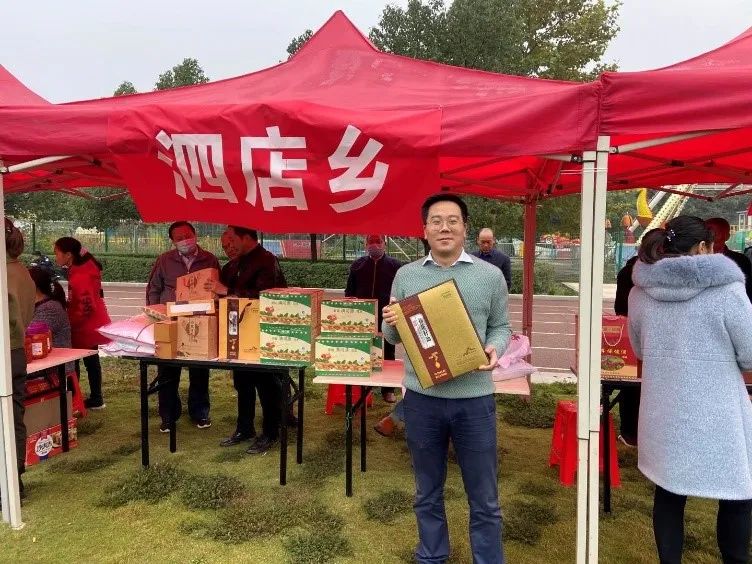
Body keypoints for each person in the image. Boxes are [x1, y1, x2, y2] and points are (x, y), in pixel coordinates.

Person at [382, 193, 511, 563]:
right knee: (426, 490)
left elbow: (501, 326)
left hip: (474, 401)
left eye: (452, 220)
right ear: (424, 230)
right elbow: (392, 337)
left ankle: (488, 559)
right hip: (422, 400)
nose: (444, 228)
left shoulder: (490, 276)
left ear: (465, 228)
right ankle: (432, 554)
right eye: (436, 221)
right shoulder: (406, 275)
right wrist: (389, 321)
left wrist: (494, 348)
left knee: (484, 496)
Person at [628, 215, 752, 563]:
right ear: (702, 248)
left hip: (663, 408)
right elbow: (750, 354)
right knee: (738, 493)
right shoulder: (728, 290)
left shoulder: (640, 292)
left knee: (668, 493)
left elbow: (639, 349)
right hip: (719, 412)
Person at [216, 226, 287, 455]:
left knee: (266, 384)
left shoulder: (267, 261)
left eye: (231, 242)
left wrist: (227, 290)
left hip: (263, 333)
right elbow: (222, 297)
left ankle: (271, 432)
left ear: (246, 238)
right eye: (224, 246)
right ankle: (244, 428)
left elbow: (267, 296)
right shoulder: (231, 266)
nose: (228, 248)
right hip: (237, 332)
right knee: (242, 381)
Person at [145, 222, 219, 431]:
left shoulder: (209, 259)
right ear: (172, 241)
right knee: (167, 370)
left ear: (195, 234)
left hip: (200, 321)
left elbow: (217, 289)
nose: (185, 240)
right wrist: (155, 315)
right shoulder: (164, 260)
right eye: (179, 238)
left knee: (199, 370)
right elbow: (153, 289)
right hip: (170, 321)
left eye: (187, 235)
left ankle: (200, 412)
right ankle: (168, 416)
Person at [54, 237, 111, 410]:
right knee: (91, 361)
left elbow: (86, 306)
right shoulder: (83, 267)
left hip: (84, 326)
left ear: (68, 255)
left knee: (76, 362)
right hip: (91, 323)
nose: (55, 257)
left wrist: (71, 323)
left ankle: (75, 399)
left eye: (57, 253)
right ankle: (95, 398)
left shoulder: (81, 274)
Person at [345, 234, 402, 403]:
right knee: (363, 348)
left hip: (386, 314)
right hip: (362, 316)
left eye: (378, 242)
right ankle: (363, 387)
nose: (374, 245)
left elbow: (401, 291)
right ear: (365, 245)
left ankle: (388, 390)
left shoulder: (395, 266)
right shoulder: (357, 265)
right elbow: (349, 291)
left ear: (385, 244)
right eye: (371, 242)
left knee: (388, 350)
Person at [5, 219, 36, 496]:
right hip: (16, 351)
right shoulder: (21, 270)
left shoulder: (4, 273)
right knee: (14, 415)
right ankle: (16, 479)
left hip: (5, 351)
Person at [28, 266, 74, 382]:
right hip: (45, 368)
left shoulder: (49, 308)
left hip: (55, 371)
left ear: (33, 286)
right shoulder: (39, 306)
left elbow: (30, 336)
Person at [612, 255, 640, 447]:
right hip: (633, 344)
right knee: (632, 387)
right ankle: (630, 433)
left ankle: (631, 433)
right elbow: (621, 309)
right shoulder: (630, 273)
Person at [705, 217, 752, 302]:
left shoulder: (740, 260)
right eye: (707, 232)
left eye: (715, 233)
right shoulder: (695, 259)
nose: (711, 236)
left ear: (727, 236)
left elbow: (748, 291)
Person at [473, 228, 512, 292]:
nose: (486, 245)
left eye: (488, 242)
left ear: (494, 240)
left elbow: (507, 283)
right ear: (478, 240)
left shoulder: (504, 259)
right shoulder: (471, 258)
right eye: (483, 242)